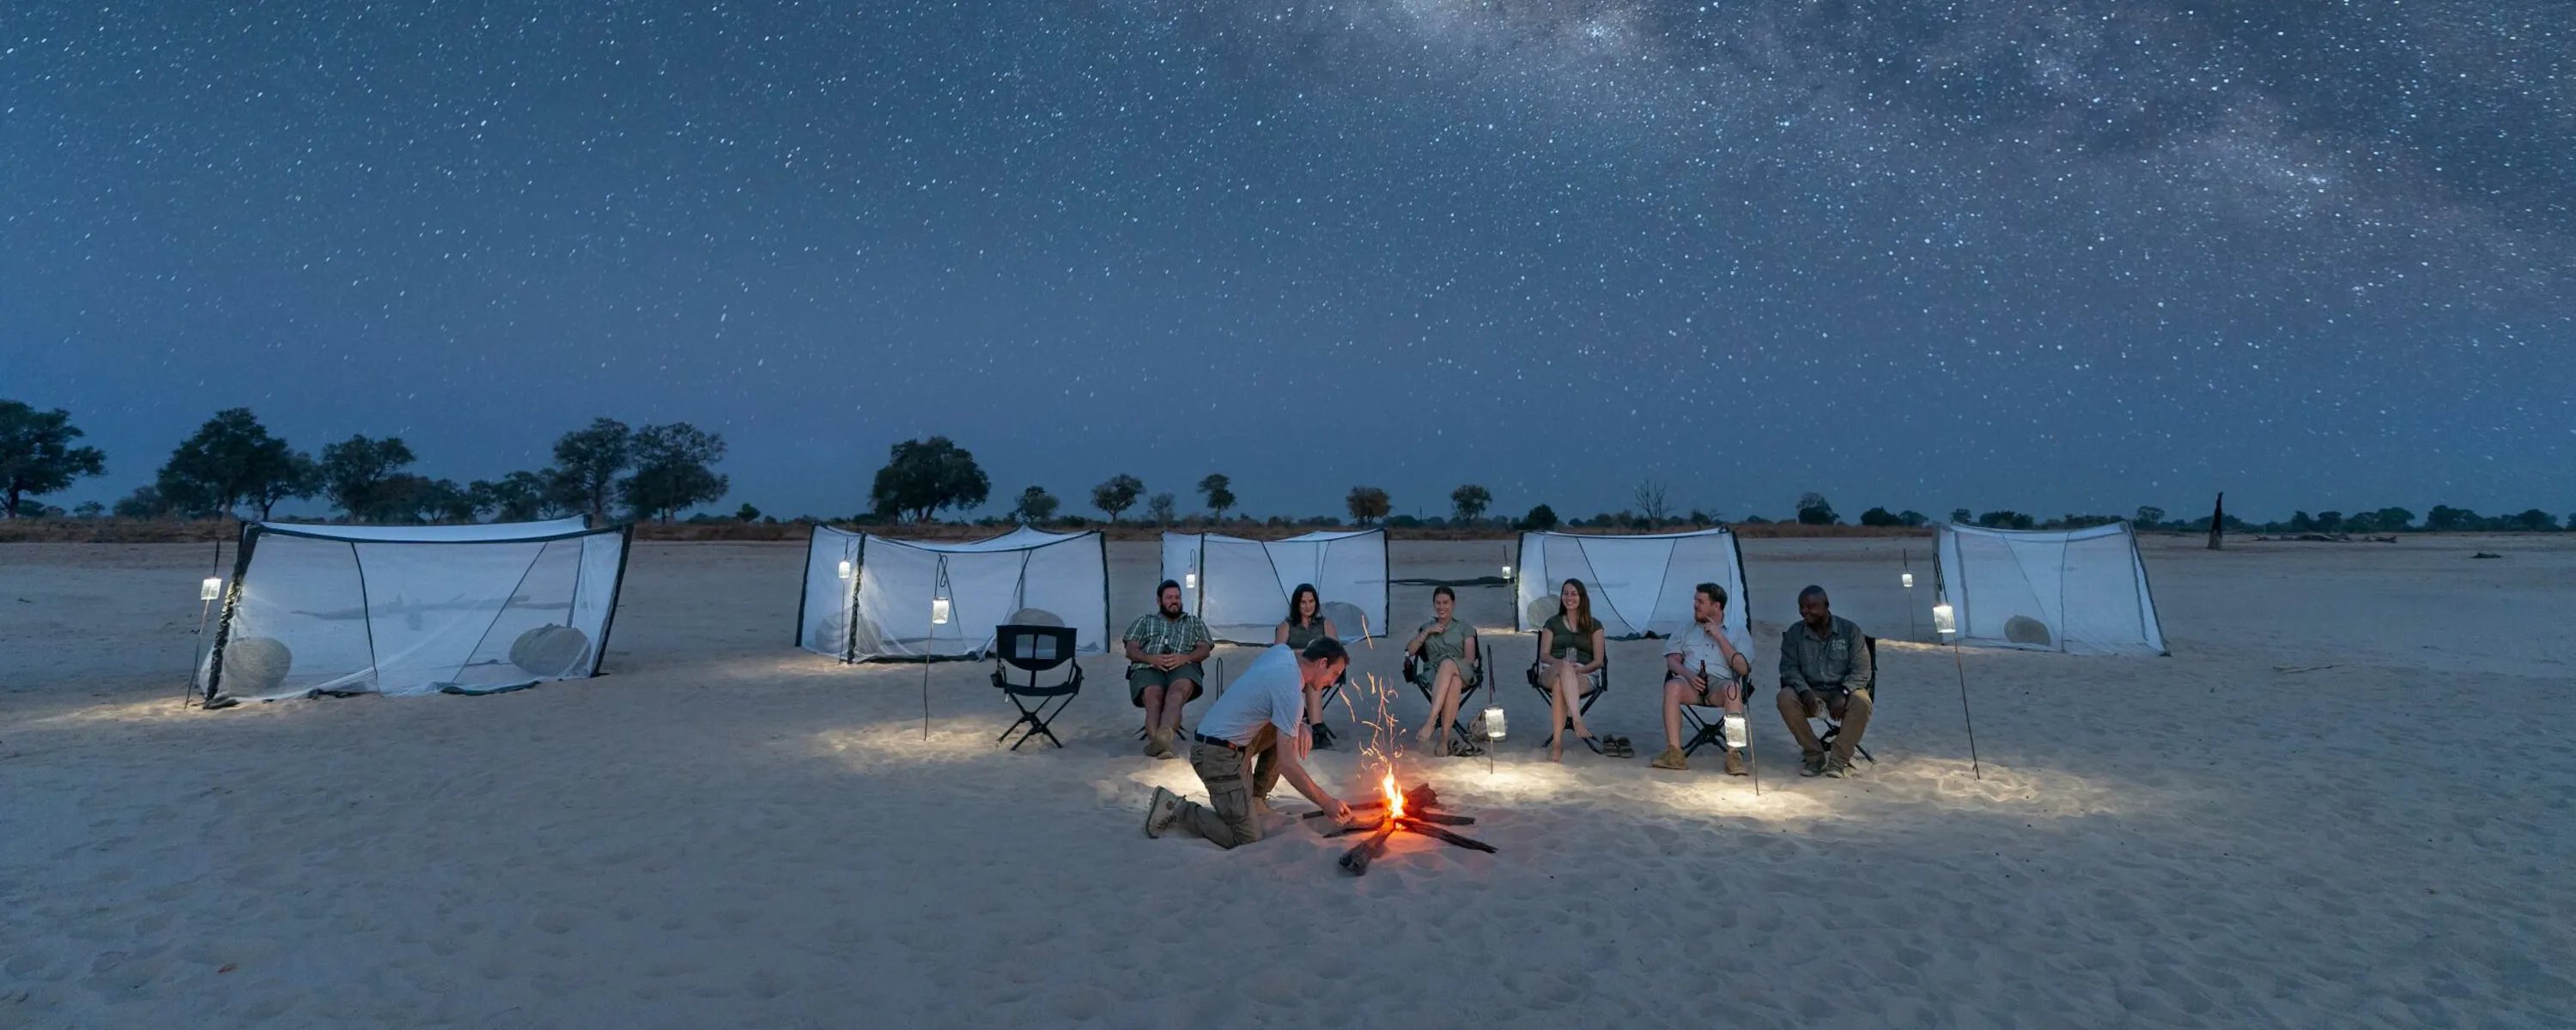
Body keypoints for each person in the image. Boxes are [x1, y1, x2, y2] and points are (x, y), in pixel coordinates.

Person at [1144, 638, 1358, 848]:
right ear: (1321, 663)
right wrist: (1326, 802)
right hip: (1216, 756)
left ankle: (1255, 799)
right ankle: (1176, 807)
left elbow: (1266, 691)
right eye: (1334, 673)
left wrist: (1299, 723)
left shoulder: (1281, 652)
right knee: (1245, 836)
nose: (1333, 682)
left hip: (1227, 741)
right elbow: (1288, 765)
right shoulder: (1290, 691)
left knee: (1285, 728)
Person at [1650, 583, 1755, 773]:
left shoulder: (1737, 631)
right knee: (1672, 686)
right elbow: (1672, 661)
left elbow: (1743, 668)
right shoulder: (1685, 628)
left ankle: (1734, 754)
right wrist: (1687, 675)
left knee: (1734, 689)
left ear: (1716, 606)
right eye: (1695, 600)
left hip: (1720, 686)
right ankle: (1675, 753)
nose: (1695, 605)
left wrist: (1719, 637)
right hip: (1690, 683)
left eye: (1700, 601)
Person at [1777, 585, 1874, 778]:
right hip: (1810, 692)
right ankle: (1815, 756)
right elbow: (1788, 668)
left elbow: (1862, 670)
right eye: (1801, 607)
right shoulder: (1795, 633)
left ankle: (1838, 760)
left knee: (1862, 702)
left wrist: (1844, 692)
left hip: (1845, 690)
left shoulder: (1849, 631)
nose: (1805, 611)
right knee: (1785, 698)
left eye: (1811, 606)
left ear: (1826, 606)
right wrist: (1805, 691)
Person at [1124, 579, 1213, 760]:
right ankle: (1163, 745)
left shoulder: (1193, 622)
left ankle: (1158, 743)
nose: (1175, 601)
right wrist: (1150, 658)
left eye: (1178, 597)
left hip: (1183, 666)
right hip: (1149, 666)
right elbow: (1131, 650)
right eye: (1169, 598)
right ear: (1159, 601)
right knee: (1153, 698)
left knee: (1176, 696)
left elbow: (1204, 649)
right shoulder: (1144, 621)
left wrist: (1185, 657)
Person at [1536, 579, 1607, 761]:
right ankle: (1577, 719)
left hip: (1584, 673)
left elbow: (1599, 661)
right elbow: (1544, 655)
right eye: (1565, 593)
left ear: (1582, 598)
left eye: (1574, 593)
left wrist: (1578, 671)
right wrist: (1561, 664)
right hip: (1551, 669)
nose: (1569, 597)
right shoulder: (1552, 623)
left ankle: (1557, 744)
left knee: (1562, 683)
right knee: (1563, 669)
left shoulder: (1595, 626)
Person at [1406, 585, 1481, 754]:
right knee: (1452, 681)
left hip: (1463, 670)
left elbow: (1470, 658)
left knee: (1449, 666)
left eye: (1446, 603)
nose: (1441, 607)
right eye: (1437, 603)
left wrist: (1453, 664)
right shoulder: (1427, 627)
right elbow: (1409, 651)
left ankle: (1432, 721)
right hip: (1435, 675)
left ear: (1453, 604)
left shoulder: (1464, 627)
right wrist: (1427, 632)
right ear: (1433, 605)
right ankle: (1444, 740)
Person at [1273, 584, 1341, 743]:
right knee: (1309, 676)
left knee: (1314, 679)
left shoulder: (1325, 624)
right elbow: (1277, 654)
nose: (1308, 606)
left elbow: (1335, 652)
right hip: (1292, 674)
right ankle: (1318, 728)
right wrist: (1305, 653)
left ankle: (1315, 726)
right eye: (1303, 602)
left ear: (1316, 603)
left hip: (1321, 674)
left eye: (1311, 601)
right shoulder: (1287, 626)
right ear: (1297, 604)